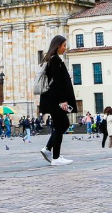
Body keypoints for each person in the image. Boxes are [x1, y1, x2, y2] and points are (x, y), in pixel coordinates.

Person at [38, 35, 77, 166]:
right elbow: (58, 82)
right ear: (57, 45)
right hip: (55, 99)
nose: (65, 48)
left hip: (52, 99)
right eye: (64, 45)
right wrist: (63, 100)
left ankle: (49, 149)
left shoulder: (51, 59)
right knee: (63, 124)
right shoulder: (54, 60)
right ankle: (55, 157)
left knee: (61, 125)